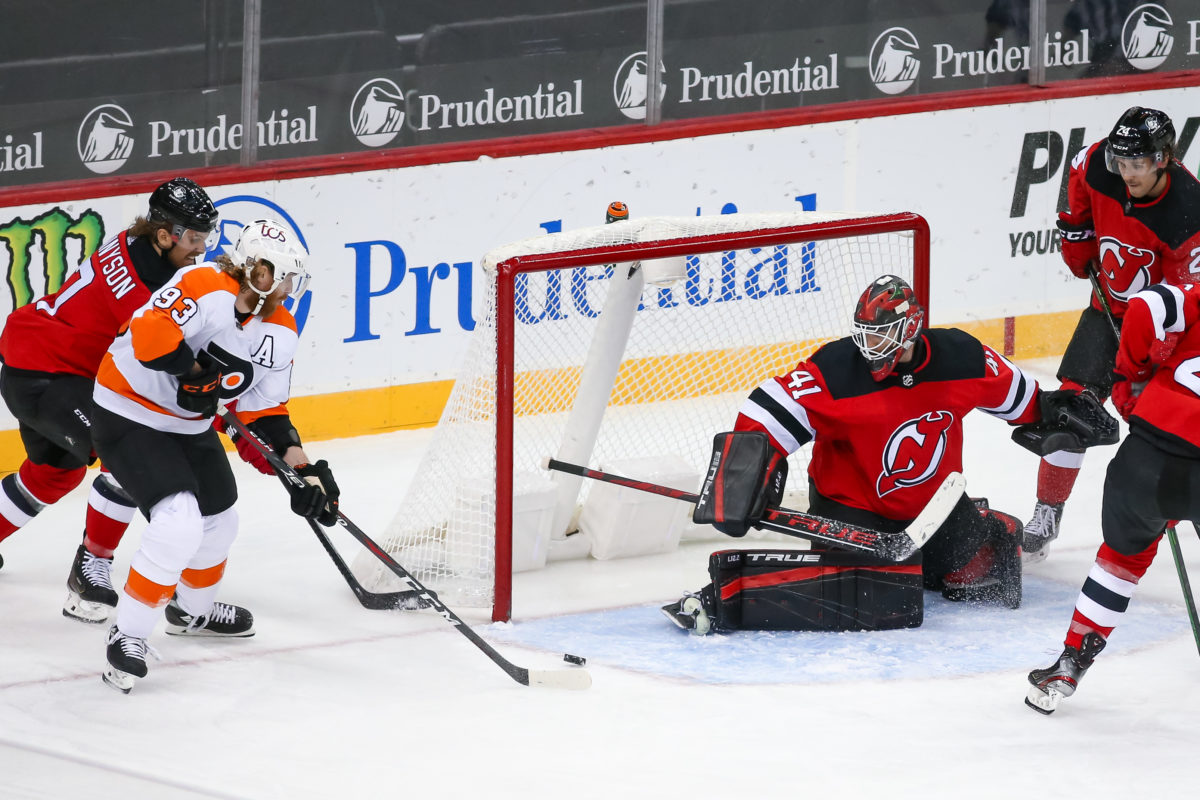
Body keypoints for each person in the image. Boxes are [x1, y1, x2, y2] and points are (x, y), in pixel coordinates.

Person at [664, 274, 1116, 635]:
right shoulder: (837, 370)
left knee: (975, 578)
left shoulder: (962, 357)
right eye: (865, 334)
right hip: (850, 509)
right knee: (870, 594)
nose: (868, 347)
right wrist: (741, 476)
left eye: (881, 336)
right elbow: (763, 411)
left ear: (911, 329)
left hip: (934, 510)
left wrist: (1061, 411)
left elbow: (1026, 403)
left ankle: (991, 527)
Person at [91, 218, 340, 693]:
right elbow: (149, 334)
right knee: (177, 521)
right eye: (285, 278)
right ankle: (129, 632)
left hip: (189, 425)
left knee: (220, 519)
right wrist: (196, 368)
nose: (289, 290)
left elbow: (263, 412)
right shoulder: (201, 283)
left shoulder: (281, 331)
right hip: (127, 411)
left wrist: (302, 470)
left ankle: (192, 611)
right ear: (259, 271)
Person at [0, 177, 217, 621]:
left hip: (36, 359)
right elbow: (156, 358)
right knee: (125, 452)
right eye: (194, 238)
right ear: (164, 235)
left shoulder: (134, 243)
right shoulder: (148, 293)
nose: (201, 248)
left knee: (53, 474)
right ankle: (90, 570)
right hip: (49, 375)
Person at [1023, 106, 1200, 563]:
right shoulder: (1100, 165)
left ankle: (1178, 509)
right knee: (1070, 411)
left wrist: (1151, 360)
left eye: (1136, 164)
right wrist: (1077, 233)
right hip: (1106, 316)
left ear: (1163, 158)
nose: (1125, 174)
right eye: (1120, 163)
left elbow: (1187, 303)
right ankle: (1046, 512)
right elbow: (1079, 170)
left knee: (1165, 433)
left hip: (1163, 338)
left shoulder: (1189, 213)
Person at [1026, 281, 1200, 714]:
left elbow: (1144, 304)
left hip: (1144, 461)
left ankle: (1068, 663)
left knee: (1120, 563)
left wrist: (1131, 379)